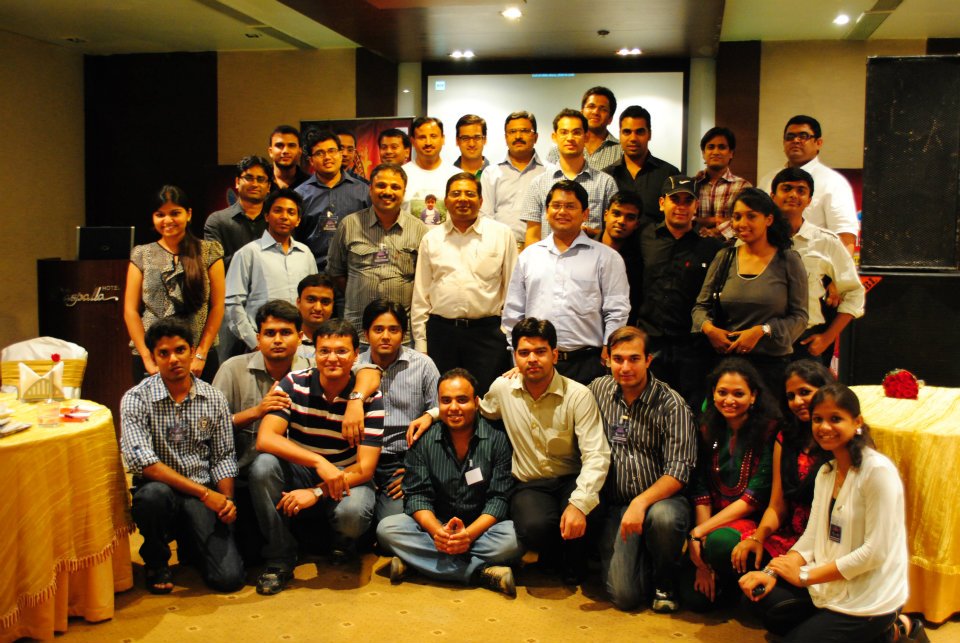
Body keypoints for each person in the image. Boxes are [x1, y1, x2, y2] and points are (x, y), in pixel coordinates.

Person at [739, 384, 918, 643]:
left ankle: (893, 629)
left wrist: (804, 576)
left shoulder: (877, 471)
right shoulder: (826, 472)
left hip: (870, 596)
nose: (824, 427)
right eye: (817, 419)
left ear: (857, 422)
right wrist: (772, 572)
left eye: (835, 419)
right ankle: (884, 635)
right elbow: (812, 536)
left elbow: (875, 552)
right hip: (830, 584)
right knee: (762, 603)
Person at [248, 319, 384, 594]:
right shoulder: (293, 383)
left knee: (352, 514)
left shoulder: (370, 399)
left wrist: (316, 492)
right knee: (262, 466)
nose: (332, 358)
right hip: (303, 468)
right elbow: (266, 439)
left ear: (356, 355)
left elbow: (365, 469)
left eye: (341, 351)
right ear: (314, 353)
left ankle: (342, 541)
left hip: (347, 474)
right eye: (324, 351)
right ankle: (280, 557)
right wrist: (318, 462)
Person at [480, 318, 611, 584]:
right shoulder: (503, 389)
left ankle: (571, 558)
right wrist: (432, 414)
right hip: (530, 485)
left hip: (570, 479)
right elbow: (478, 409)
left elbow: (596, 454)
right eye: (524, 353)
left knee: (591, 509)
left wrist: (579, 504)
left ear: (555, 355)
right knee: (534, 526)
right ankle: (554, 554)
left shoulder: (578, 395)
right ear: (515, 356)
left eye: (540, 352)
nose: (532, 359)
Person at [120, 317, 244, 594]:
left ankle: (191, 542)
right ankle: (156, 560)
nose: (173, 359)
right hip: (161, 489)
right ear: (153, 357)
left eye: (180, 350)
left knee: (229, 579)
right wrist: (205, 494)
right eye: (164, 353)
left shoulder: (214, 397)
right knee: (152, 497)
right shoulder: (136, 398)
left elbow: (223, 457)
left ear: (192, 352)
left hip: (201, 494)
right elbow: (145, 464)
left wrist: (226, 502)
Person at [377, 369, 521, 596]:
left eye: (462, 400)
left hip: (481, 528)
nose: (454, 407)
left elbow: (499, 498)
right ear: (438, 404)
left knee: (513, 539)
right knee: (388, 529)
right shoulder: (423, 438)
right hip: (436, 525)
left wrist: (468, 535)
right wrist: (438, 533)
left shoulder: (498, 438)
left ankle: (417, 564)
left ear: (476, 402)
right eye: (446, 401)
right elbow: (418, 495)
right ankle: (481, 572)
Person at [589, 326, 696, 612]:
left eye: (634, 359)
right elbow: (564, 392)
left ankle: (665, 579)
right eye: (618, 359)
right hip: (617, 506)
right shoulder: (598, 390)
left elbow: (679, 470)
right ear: (607, 360)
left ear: (648, 359)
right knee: (624, 596)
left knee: (664, 519)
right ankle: (647, 557)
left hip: (663, 501)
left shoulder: (672, 404)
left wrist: (641, 502)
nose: (625, 367)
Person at [731, 360, 834, 634]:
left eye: (805, 392)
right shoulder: (785, 437)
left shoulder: (837, 440)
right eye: (791, 396)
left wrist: (784, 568)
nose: (798, 401)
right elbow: (778, 505)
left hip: (827, 544)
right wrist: (758, 538)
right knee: (740, 564)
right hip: (792, 537)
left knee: (771, 608)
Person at [504, 180, 629, 385]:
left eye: (570, 206)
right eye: (556, 205)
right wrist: (517, 355)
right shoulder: (529, 256)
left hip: (588, 362)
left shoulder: (606, 258)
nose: (562, 211)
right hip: (537, 363)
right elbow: (513, 312)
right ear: (547, 211)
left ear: (585, 213)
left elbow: (617, 310)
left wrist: (609, 349)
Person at [692, 188, 808, 396]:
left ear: (768, 220)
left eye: (751, 216)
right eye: (737, 217)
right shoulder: (725, 257)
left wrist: (762, 331)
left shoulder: (788, 260)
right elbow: (700, 307)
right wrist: (709, 329)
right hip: (726, 367)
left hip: (771, 368)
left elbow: (800, 317)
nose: (742, 223)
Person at [682, 358, 776, 611]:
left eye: (738, 394)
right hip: (712, 524)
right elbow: (701, 491)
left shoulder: (769, 432)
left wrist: (699, 534)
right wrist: (702, 551)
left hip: (753, 523)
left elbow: (753, 498)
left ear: (753, 396)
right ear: (713, 394)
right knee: (694, 600)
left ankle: (737, 588)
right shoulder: (707, 428)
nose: (729, 400)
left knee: (721, 542)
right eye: (722, 392)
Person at [412, 172, 518, 395]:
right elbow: (421, 296)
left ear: (480, 200)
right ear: (446, 200)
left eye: (469, 194)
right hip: (442, 334)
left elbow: (513, 291)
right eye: (456, 194)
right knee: (444, 400)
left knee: (489, 399)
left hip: (488, 335)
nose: (462, 199)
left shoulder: (501, 234)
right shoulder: (431, 238)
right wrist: (421, 344)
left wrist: (507, 336)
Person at [636, 175, 724, 410]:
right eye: (675, 200)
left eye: (688, 201)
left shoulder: (710, 247)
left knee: (689, 411)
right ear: (662, 203)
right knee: (648, 409)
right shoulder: (644, 237)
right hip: (650, 341)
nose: (681, 206)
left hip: (691, 346)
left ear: (696, 206)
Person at [124, 185, 224, 383]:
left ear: (188, 214)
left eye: (175, 213)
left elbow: (217, 306)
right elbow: (130, 311)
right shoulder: (141, 254)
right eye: (160, 214)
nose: (168, 220)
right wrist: (147, 357)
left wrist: (201, 353)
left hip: (198, 356)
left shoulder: (209, 251)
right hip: (153, 356)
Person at [771, 167, 865, 365]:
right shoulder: (755, 239)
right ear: (772, 196)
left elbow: (855, 293)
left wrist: (828, 338)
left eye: (801, 190)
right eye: (786, 189)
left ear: (809, 200)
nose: (793, 195)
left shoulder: (825, 241)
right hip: (761, 341)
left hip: (805, 342)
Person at [357, 299, 440, 521]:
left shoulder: (423, 365)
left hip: (404, 462)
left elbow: (440, 413)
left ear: (404, 334)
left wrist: (418, 470)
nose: (385, 336)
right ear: (366, 334)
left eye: (393, 330)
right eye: (378, 329)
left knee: (390, 522)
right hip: (360, 460)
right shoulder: (354, 366)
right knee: (353, 516)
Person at [326, 163, 426, 336]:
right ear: (370, 189)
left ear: (404, 192)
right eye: (381, 185)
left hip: (401, 332)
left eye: (395, 187)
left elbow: (424, 282)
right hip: (357, 329)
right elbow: (336, 273)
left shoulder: (419, 230)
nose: (388, 192)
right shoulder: (349, 225)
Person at [212, 300, 310, 476]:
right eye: (270, 333)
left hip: (302, 472)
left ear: (300, 337)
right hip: (242, 472)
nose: (277, 340)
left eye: (286, 333)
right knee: (264, 464)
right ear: (258, 338)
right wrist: (256, 412)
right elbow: (210, 427)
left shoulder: (313, 371)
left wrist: (357, 398)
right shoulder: (232, 369)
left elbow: (361, 368)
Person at [224, 188, 317, 354]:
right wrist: (255, 343)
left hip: (301, 346)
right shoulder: (248, 253)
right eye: (278, 210)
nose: (284, 216)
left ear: (298, 220)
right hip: (261, 346)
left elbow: (314, 298)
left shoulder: (306, 253)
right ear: (266, 216)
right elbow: (233, 304)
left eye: (291, 212)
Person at [758, 115, 858, 256]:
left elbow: (845, 236)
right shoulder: (768, 180)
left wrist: (836, 269)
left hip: (814, 263)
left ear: (818, 143)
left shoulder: (833, 182)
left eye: (803, 136)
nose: (795, 141)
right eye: (790, 137)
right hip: (769, 261)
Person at [520, 108, 618, 244]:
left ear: (586, 136)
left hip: (591, 255)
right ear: (554, 137)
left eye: (576, 132)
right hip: (549, 256)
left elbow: (613, 233)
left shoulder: (605, 183)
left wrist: (590, 232)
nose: (570, 138)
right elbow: (532, 235)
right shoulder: (538, 183)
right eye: (564, 132)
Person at [295, 128, 371, 270]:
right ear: (311, 160)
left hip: (354, 272)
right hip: (314, 271)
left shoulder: (363, 191)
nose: (327, 157)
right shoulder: (300, 195)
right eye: (320, 153)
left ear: (340, 154)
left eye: (332, 151)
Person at [601, 105, 680, 223]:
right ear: (620, 135)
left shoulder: (669, 174)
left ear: (649, 134)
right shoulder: (606, 176)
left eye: (640, 132)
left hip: (657, 235)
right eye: (627, 132)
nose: (633, 138)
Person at [479, 111, 546, 247]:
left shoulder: (550, 172)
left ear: (536, 137)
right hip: (500, 247)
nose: (518, 136)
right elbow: (485, 216)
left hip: (541, 249)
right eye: (512, 132)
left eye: (525, 131)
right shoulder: (491, 173)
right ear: (506, 137)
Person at [203, 155, 272, 270]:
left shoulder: (276, 221)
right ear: (237, 182)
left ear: (268, 186)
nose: (254, 184)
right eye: (249, 178)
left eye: (260, 179)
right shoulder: (217, 221)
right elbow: (214, 266)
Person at [547, 86, 623, 170]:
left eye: (603, 109)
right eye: (591, 106)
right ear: (581, 112)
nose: (595, 112)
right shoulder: (557, 150)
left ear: (610, 119)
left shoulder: (621, 151)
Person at [693, 127, 751, 237]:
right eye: (711, 147)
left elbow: (745, 220)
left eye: (722, 147)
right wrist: (715, 220)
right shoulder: (693, 184)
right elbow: (685, 218)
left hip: (730, 245)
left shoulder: (743, 187)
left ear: (731, 153)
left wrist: (715, 231)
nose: (716, 152)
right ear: (703, 153)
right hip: (694, 244)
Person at [599, 192, 644, 326]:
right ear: (606, 215)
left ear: (637, 224)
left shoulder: (640, 261)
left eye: (630, 217)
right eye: (616, 214)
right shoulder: (584, 250)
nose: (621, 221)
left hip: (623, 331)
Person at [402, 117, 459, 224]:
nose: (428, 142)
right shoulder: (401, 175)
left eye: (433, 136)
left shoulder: (457, 175)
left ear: (443, 139)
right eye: (422, 137)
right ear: (412, 141)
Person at [295, 273, 335, 360]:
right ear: (298, 302)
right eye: (311, 300)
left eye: (325, 302)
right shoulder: (286, 340)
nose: (318, 308)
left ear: (332, 306)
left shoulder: (342, 342)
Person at [267, 125, 310, 191]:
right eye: (279, 145)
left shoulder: (310, 184)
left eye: (291, 146)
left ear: (300, 151)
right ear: (270, 152)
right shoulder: (260, 181)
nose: (285, 151)